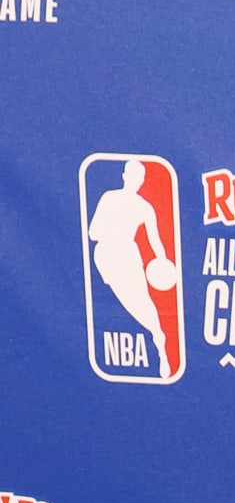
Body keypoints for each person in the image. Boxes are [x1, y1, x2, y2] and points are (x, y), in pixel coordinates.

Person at [88, 158, 174, 377]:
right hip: (106, 256)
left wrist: (163, 262)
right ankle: (157, 335)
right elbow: (92, 233)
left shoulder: (145, 207)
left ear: (141, 180)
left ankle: (160, 341)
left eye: (139, 177)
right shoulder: (109, 198)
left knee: (141, 300)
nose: (136, 180)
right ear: (125, 176)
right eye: (134, 176)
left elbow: (155, 240)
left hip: (127, 255)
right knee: (127, 302)